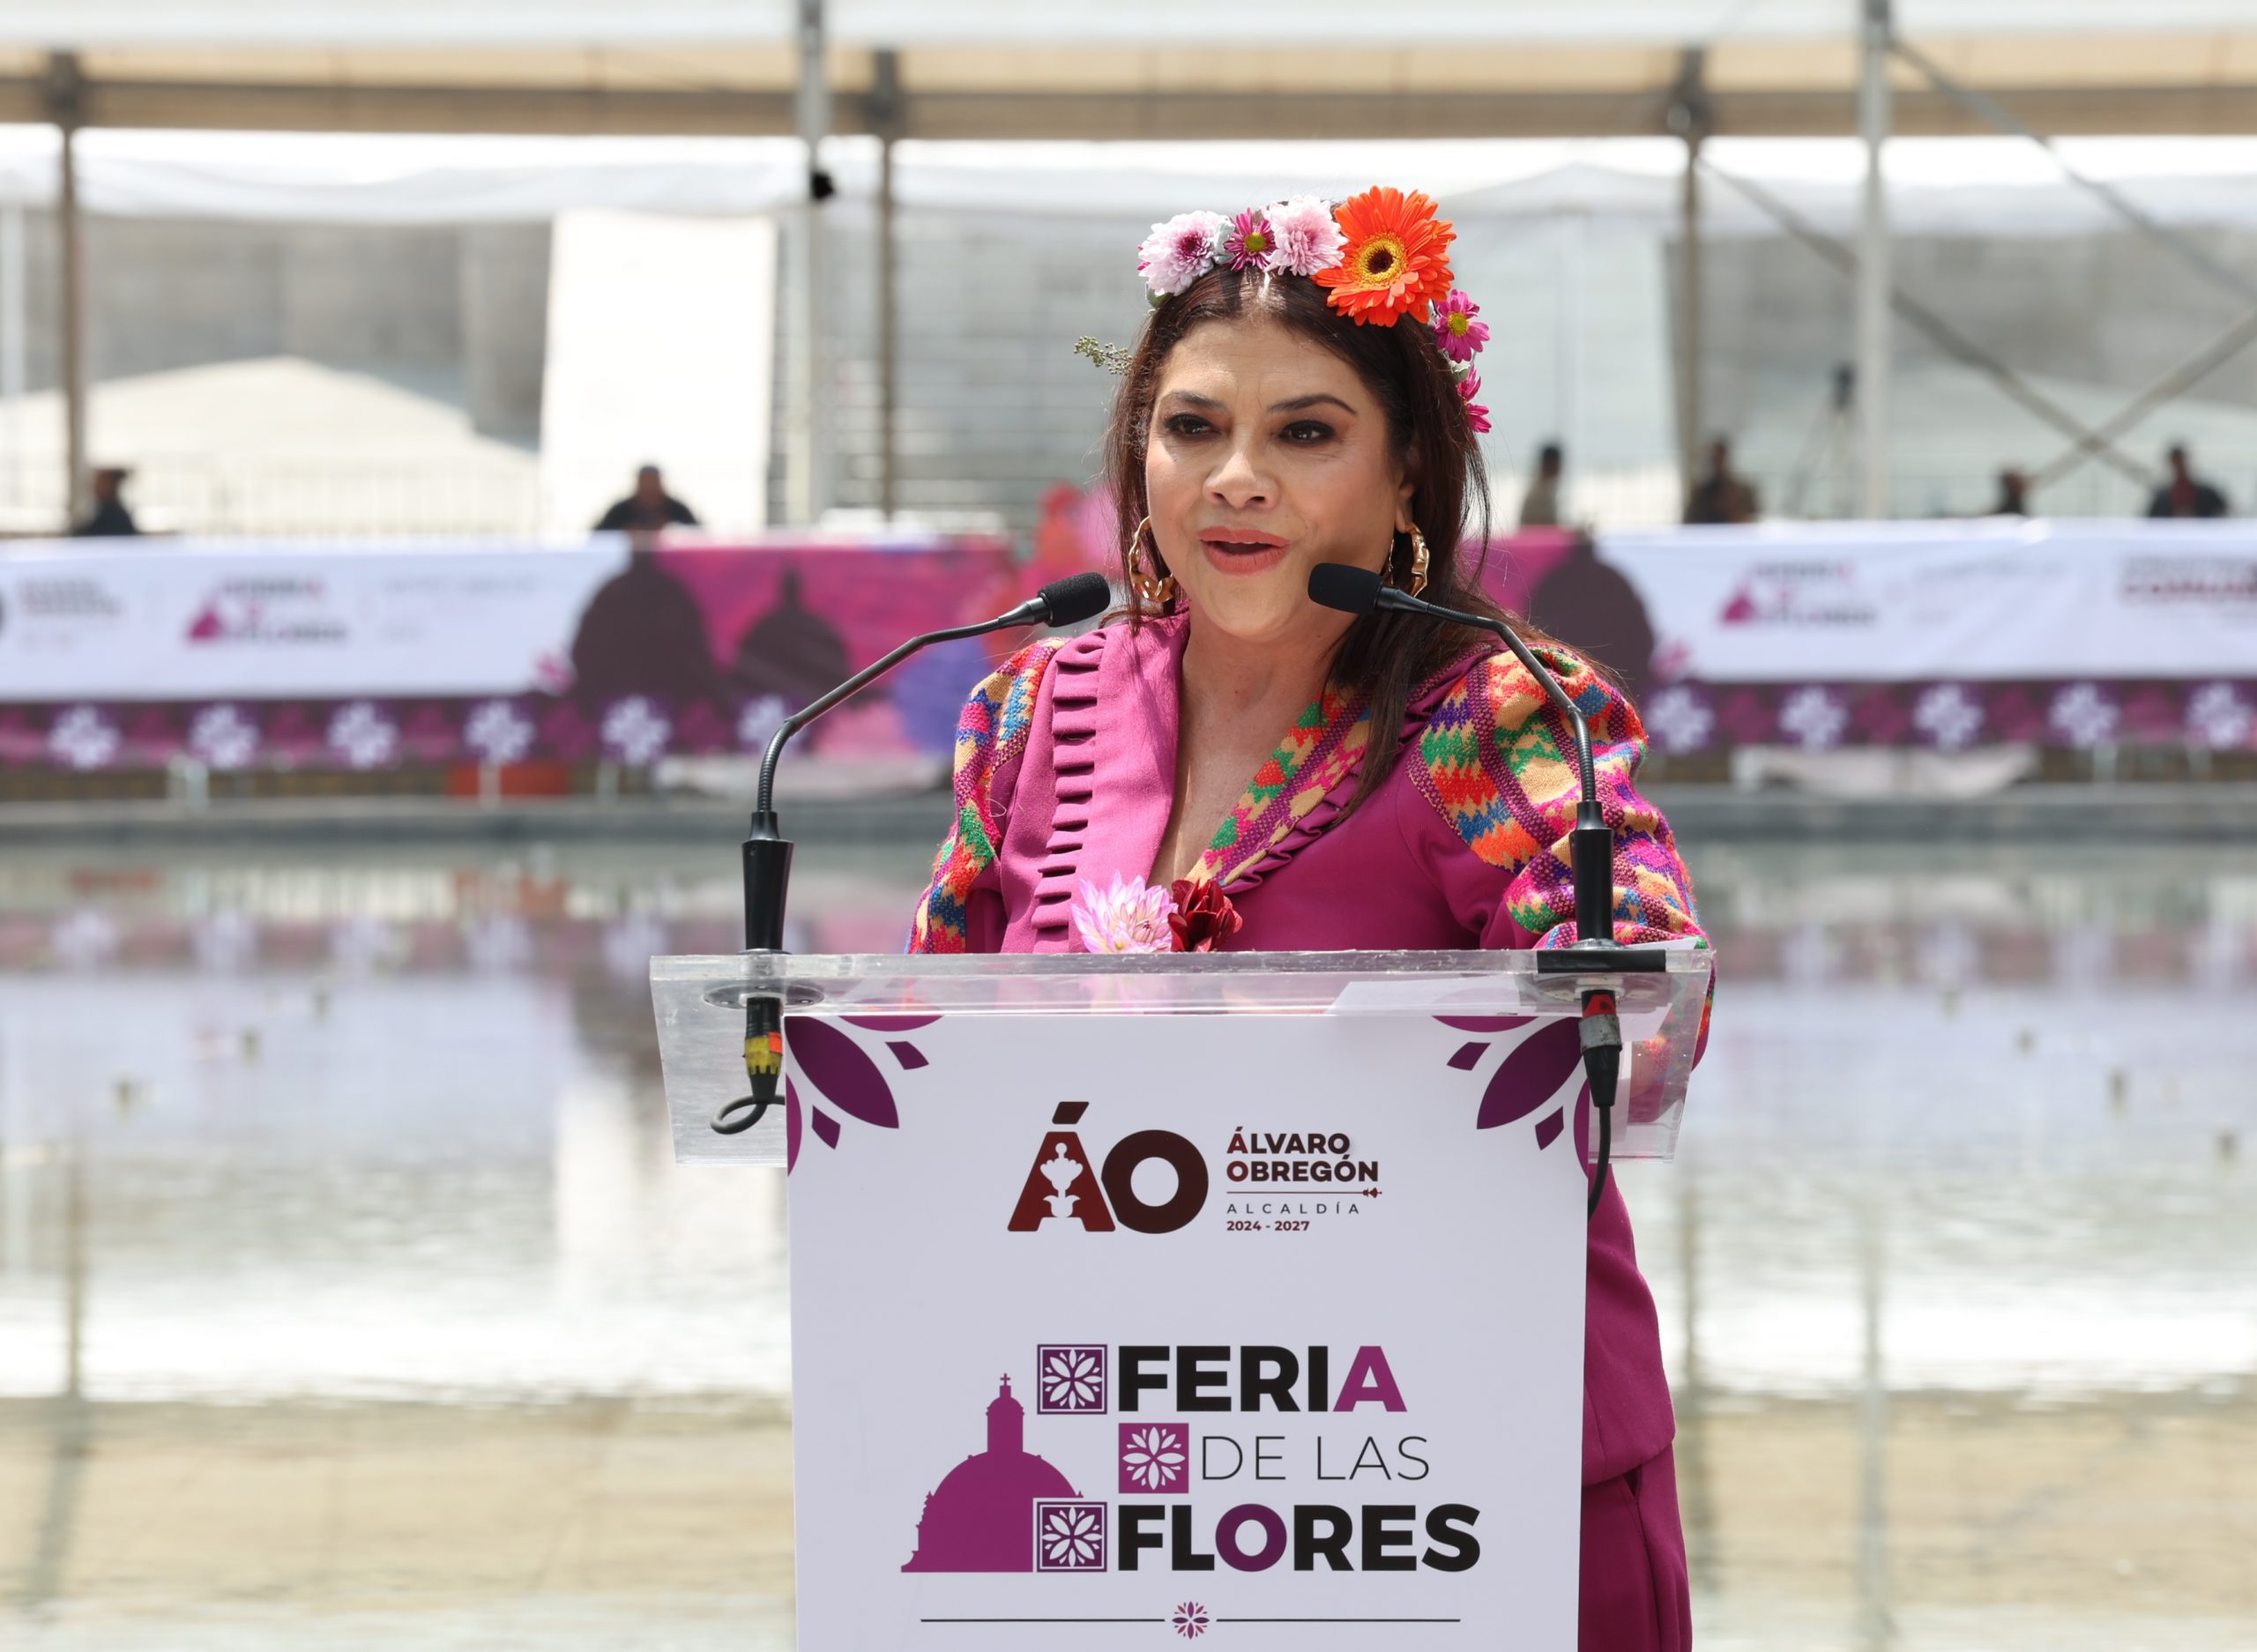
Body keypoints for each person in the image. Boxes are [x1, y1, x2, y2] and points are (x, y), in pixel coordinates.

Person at [907, 188, 1703, 1650]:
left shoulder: (1501, 713)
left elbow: (1637, 1026)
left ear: (1409, 476)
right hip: (1127, 1470)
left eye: (1308, 432)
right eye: (1193, 428)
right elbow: (918, 1077)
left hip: (1467, 1468)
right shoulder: (1025, 715)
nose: (1238, 480)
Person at [593, 464, 700, 533]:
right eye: (645, 482)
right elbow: (598, 535)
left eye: (653, 482)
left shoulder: (675, 508)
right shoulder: (621, 509)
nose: (649, 486)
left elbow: (699, 533)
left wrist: (672, 531)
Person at [1683, 436, 1758, 525]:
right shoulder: (1700, 494)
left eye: (1721, 458)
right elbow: (1689, 523)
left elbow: (1753, 521)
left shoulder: (1743, 491)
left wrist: (1736, 509)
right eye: (1714, 459)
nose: (1718, 463)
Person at [2146, 444, 2229, 518]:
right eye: (2176, 463)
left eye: (2181, 462)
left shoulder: (2208, 494)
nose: (2180, 467)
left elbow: (2224, 514)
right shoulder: (2161, 499)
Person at [72, 466, 140, 537]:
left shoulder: (114, 515)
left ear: (111, 486)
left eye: (99, 483)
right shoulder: (99, 510)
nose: (93, 487)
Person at [1520, 441, 1565, 528]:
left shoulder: (1544, 488)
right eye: (1558, 463)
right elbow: (1544, 526)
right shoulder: (1539, 492)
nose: (1560, 467)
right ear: (1551, 464)